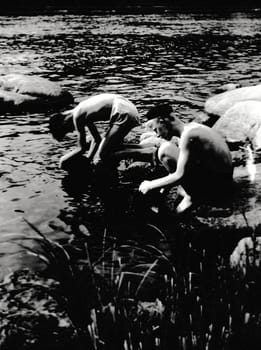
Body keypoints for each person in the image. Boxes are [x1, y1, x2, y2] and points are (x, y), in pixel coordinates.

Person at [138, 104, 233, 214]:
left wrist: (150, 185)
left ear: (162, 120)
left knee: (164, 150)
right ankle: (189, 194)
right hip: (220, 177)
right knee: (167, 149)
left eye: (155, 130)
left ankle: (193, 197)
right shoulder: (189, 129)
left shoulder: (189, 135)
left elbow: (180, 175)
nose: (157, 135)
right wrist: (161, 193)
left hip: (219, 186)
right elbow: (183, 168)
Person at [49, 93, 141, 170]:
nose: (72, 130)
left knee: (104, 154)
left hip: (122, 111)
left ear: (63, 123)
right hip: (127, 108)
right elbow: (97, 139)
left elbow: (81, 148)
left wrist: (62, 160)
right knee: (111, 148)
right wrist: (89, 160)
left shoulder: (77, 117)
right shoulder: (81, 109)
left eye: (67, 130)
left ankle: (146, 153)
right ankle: (145, 147)